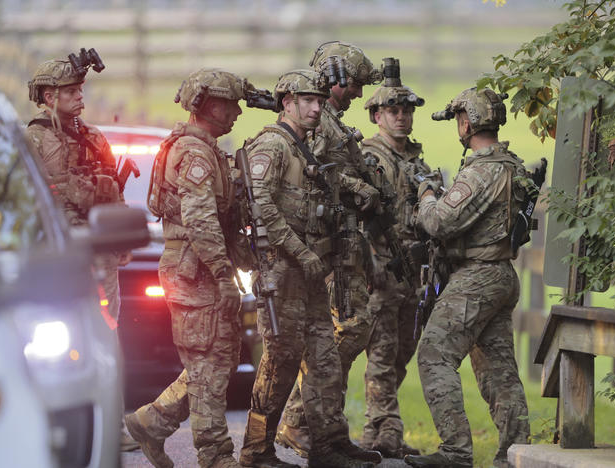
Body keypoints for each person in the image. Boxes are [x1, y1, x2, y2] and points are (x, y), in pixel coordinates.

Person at [238, 69, 376, 468]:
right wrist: (301, 251)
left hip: (311, 271)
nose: (318, 107)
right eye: (308, 101)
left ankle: (328, 445)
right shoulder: (273, 145)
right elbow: (260, 203)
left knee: (325, 358)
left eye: (320, 100)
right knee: (281, 359)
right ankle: (255, 449)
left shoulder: (304, 148)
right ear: (287, 103)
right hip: (283, 270)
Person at [123, 68, 257, 468]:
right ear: (205, 104)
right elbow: (201, 221)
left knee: (218, 360)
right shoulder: (194, 154)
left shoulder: (209, 149)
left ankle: (152, 421)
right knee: (206, 365)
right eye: (228, 103)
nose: (236, 111)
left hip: (203, 271)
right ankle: (215, 455)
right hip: (195, 274)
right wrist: (222, 273)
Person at [405, 87, 530, 468]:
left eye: (459, 119)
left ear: (467, 122)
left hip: (477, 277)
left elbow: (439, 222)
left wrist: (427, 193)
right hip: (502, 275)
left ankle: (456, 452)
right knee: (499, 371)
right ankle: (516, 454)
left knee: (433, 354)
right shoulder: (513, 165)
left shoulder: (481, 171)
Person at [25, 52, 139, 452]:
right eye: (71, 91)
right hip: (53, 256)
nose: (80, 98)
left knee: (107, 335)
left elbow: (117, 193)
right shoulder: (32, 140)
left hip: (99, 253)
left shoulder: (92, 137)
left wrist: (122, 240)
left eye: (80, 90)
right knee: (53, 339)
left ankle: (112, 425)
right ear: (48, 95)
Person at [276, 41, 385, 458]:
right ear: (336, 79)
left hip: (345, 242)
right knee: (347, 330)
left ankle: (327, 431)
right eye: (355, 84)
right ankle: (300, 419)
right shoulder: (320, 125)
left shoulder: (334, 122)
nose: (358, 93)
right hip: (326, 246)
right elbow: (313, 175)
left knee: (347, 331)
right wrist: (359, 188)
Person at [358, 76, 441, 458]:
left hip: (414, 273)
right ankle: (385, 429)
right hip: (381, 269)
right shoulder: (368, 158)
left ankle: (378, 428)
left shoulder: (416, 161)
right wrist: (370, 266)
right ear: (377, 115)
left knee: (402, 351)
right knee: (381, 352)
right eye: (394, 111)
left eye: (407, 111)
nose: (403, 118)